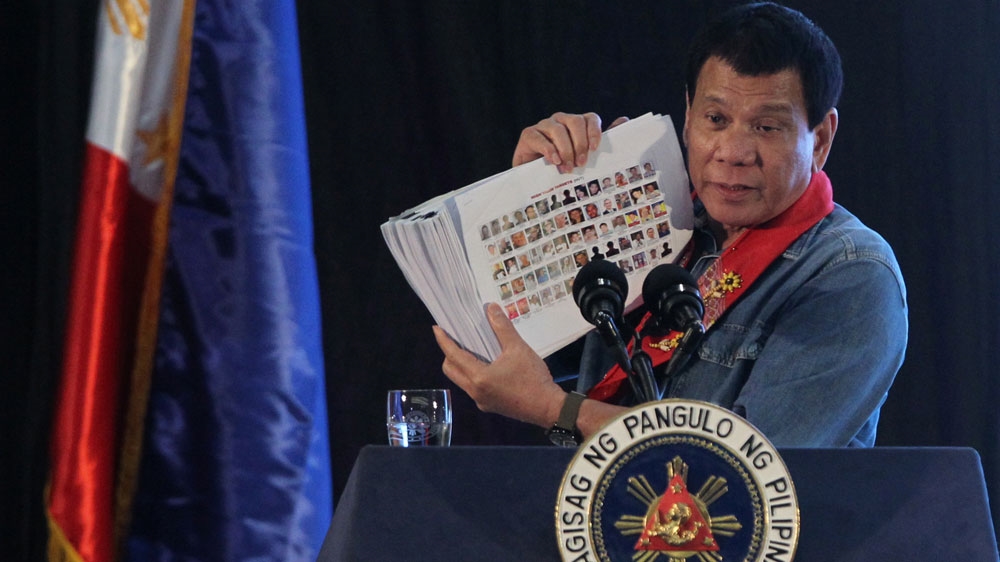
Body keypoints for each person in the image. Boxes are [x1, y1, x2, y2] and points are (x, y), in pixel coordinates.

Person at [433, 2, 906, 449]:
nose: (732, 152)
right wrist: (532, 209)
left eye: (766, 127)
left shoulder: (852, 273)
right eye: (716, 119)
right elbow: (503, 354)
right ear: (687, 117)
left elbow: (749, 463)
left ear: (819, 140)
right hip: (597, 505)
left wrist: (557, 410)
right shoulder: (656, 224)